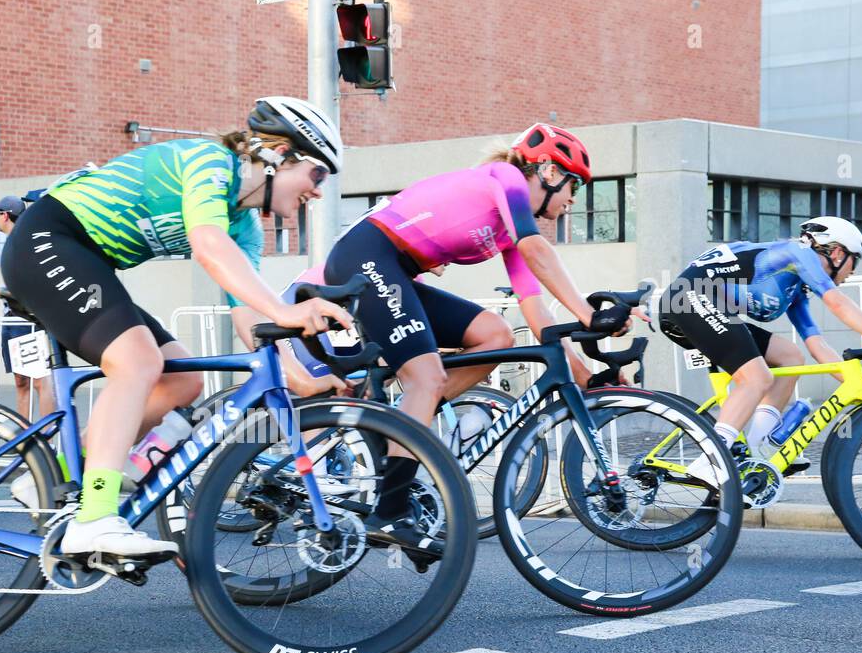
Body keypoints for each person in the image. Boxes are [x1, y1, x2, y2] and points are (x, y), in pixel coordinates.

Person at [235, 123, 635, 551]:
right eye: (573, 184)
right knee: (426, 378)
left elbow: (537, 314)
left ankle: (405, 423)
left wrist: (585, 376)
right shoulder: (506, 179)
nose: (574, 198)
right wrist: (590, 314)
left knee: (495, 334)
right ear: (549, 173)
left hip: (390, 270)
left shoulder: (509, 231)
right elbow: (538, 250)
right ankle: (391, 509)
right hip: (366, 257)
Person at [0, 96, 351, 557]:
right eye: (318, 174)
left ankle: (52, 475)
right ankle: (96, 516)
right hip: (48, 239)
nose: (319, 192)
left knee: (183, 376)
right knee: (137, 361)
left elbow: (248, 313)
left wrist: (303, 380)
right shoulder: (211, 163)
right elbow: (206, 245)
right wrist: (287, 312)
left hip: (86, 260)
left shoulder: (242, 224)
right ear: (279, 155)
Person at [658, 216, 862, 465]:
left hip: (703, 306)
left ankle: (759, 448)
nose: (853, 270)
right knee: (757, 378)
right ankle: (712, 462)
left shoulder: (795, 285)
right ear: (837, 253)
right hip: (688, 300)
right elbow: (836, 302)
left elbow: (817, 346)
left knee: (790, 357)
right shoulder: (796, 253)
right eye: (854, 260)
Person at [0, 193, 55, 422]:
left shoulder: (25, 243)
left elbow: (36, 288)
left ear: (4, 216)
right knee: (21, 382)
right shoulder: (15, 243)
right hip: (14, 320)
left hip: (28, 323)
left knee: (39, 381)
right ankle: (25, 437)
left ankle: (47, 438)